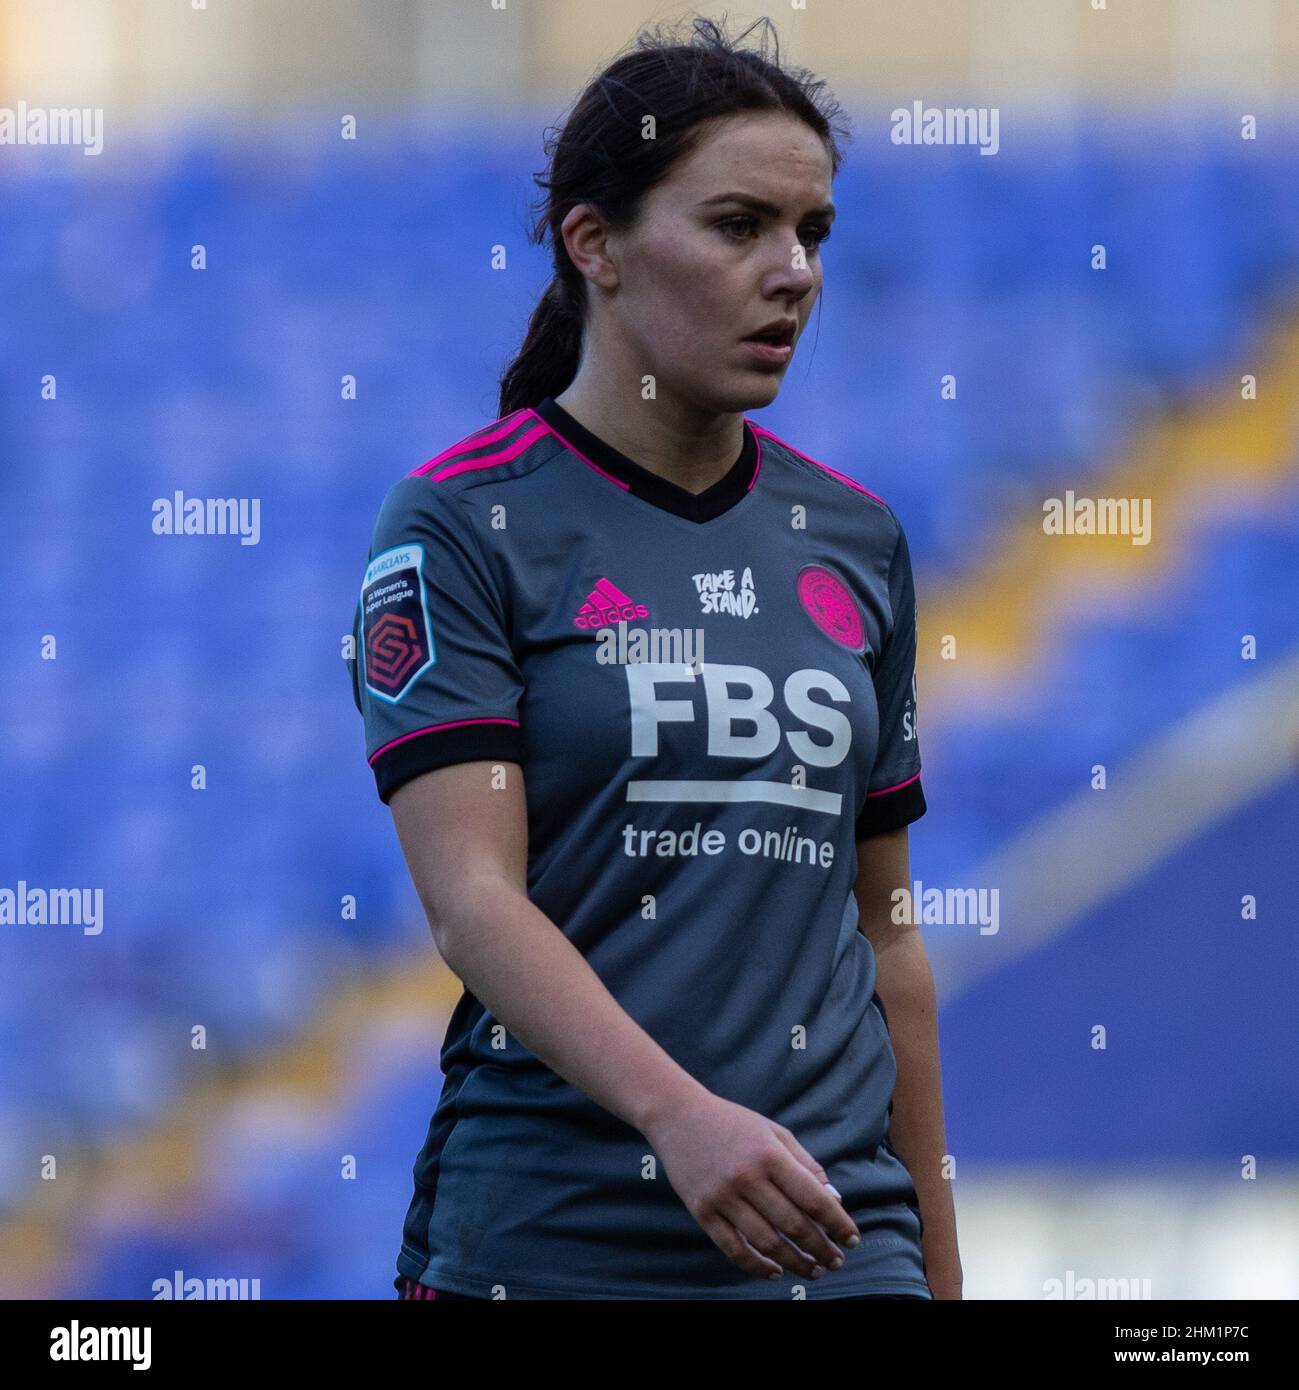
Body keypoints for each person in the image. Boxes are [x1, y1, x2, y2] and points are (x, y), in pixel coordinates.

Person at [351, 14, 961, 1301]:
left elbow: (888, 933)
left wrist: (937, 1269)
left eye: (814, 235)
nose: (792, 270)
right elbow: (475, 907)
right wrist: (680, 1116)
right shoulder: (465, 525)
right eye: (740, 226)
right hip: (551, 1241)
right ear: (596, 245)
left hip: (839, 1247)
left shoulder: (856, 539)